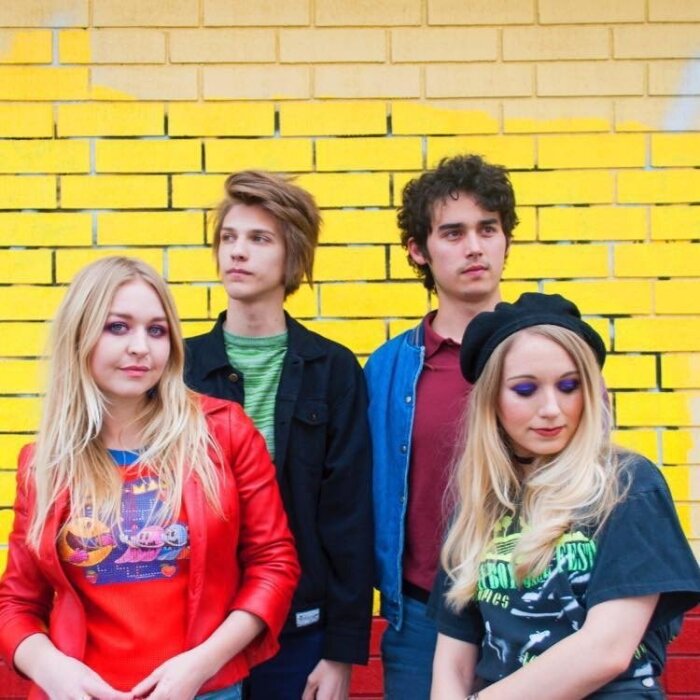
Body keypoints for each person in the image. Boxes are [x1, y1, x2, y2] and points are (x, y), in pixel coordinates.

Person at [0, 256, 300, 700]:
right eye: (118, 327)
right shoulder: (44, 464)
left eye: (157, 330)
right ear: (79, 335)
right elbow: (17, 603)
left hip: (204, 690)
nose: (141, 346)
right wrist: (53, 670)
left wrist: (201, 665)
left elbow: (274, 564)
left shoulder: (224, 432)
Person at [431, 292, 700, 699]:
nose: (552, 409)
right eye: (526, 390)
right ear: (492, 402)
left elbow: (606, 650)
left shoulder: (626, 485)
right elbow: (454, 662)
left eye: (569, 386)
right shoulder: (478, 508)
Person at [184, 170, 373, 700]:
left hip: (299, 627)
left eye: (259, 238)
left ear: (293, 256)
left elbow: (348, 516)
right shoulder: (179, 367)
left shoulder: (332, 369)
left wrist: (341, 651)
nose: (237, 251)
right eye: (228, 237)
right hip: (196, 627)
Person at [364, 154, 518, 697]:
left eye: (487, 229)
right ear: (418, 250)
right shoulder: (387, 369)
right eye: (453, 233)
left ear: (505, 240)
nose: (474, 247)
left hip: (530, 607)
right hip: (421, 620)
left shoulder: (548, 355)